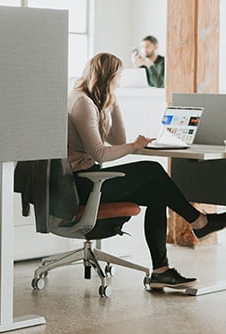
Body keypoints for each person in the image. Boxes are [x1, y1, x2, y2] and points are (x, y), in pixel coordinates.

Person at [68, 52, 226, 290]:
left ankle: (161, 271)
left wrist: (114, 101)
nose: (119, 82)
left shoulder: (90, 100)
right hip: (81, 185)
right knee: (152, 169)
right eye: (117, 78)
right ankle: (199, 221)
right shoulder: (82, 103)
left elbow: (118, 138)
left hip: (88, 179)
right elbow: (101, 153)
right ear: (108, 77)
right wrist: (134, 146)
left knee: (156, 193)